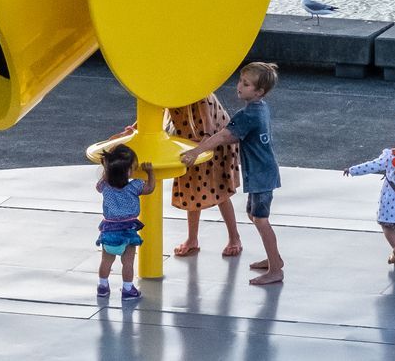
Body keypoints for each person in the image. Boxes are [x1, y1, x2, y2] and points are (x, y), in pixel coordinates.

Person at [181, 62, 283, 285]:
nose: (239, 87)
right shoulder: (261, 108)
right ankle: (275, 259)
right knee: (253, 215)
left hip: (261, 176)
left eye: (246, 85)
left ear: (259, 92)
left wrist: (195, 152)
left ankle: (276, 269)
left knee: (261, 219)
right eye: (240, 81)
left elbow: (223, 137)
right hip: (263, 173)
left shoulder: (248, 115)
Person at [344, 115, 395, 266]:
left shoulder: (390, 156)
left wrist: (352, 170)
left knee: (387, 226)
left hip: (392, 200)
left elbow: (372, 166)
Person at [168, 95, 242, 258]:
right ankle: (192, 239)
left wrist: (204, 142)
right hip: (190, 139)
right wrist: (136, 128)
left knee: (219, 190)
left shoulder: (198, 89)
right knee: (192, 188)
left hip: (214, 140)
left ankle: (234, 237)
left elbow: (208, 126)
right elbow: (155, 109)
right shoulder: (166, 89)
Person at [96, 144, 155, 301]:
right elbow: (150, 188)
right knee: (127, 263)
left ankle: (102, 286)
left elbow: (99, 185)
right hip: (127, 231)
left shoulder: (105, 186)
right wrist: (150, 173)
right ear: (129, 171)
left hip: (109, 231)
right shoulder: (134, 186)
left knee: (106, 261)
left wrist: (106, 168)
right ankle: (128, 290)